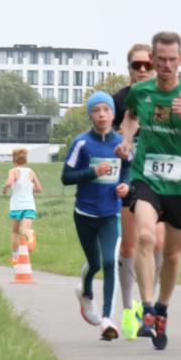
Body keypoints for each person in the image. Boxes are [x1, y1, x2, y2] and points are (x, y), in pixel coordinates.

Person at [115, 31, 181, 350]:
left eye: (170, 60)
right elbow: (131, 117)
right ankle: (146, 310)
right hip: (148, 177)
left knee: (173, 254)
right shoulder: (141, 91)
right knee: (146, 238)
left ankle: (162, 309)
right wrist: (127, 139)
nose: (163, 66)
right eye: (158, 59)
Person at [62, 92, 131, 341]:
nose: (101, 114)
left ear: (113, 114)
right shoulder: (82, 143)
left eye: (106, 109)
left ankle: (107, 320)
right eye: (96, 110)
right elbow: (66, 177)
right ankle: (85, 292)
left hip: (111, 214)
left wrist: (126, 186)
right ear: (91, 115)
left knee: (111, 262)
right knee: (94, 263)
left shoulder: (122, 143)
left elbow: (128, 170)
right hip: (84, 213)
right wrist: (92, 172)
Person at [112, 43, 164, 339]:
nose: (143, 70)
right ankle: (127, 307)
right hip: (128, 176)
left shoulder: (167, 98)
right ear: (129, 68)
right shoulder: (120, 100)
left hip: (161, 176)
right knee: (131, 244)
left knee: (157, 242)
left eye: (148, 65)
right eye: (137, 66)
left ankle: (150, 305)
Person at [2, 147, 42, 265]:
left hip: (16, 206)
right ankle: (30, 235)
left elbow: (9, 183)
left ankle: (15, 257)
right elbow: (39, 189)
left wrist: (5, 188)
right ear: (25, 160)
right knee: (24, 229)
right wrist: (28, 189)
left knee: (15, 232)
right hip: (29, 205)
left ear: (14, 160)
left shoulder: (13, 171)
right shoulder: (31, 172)